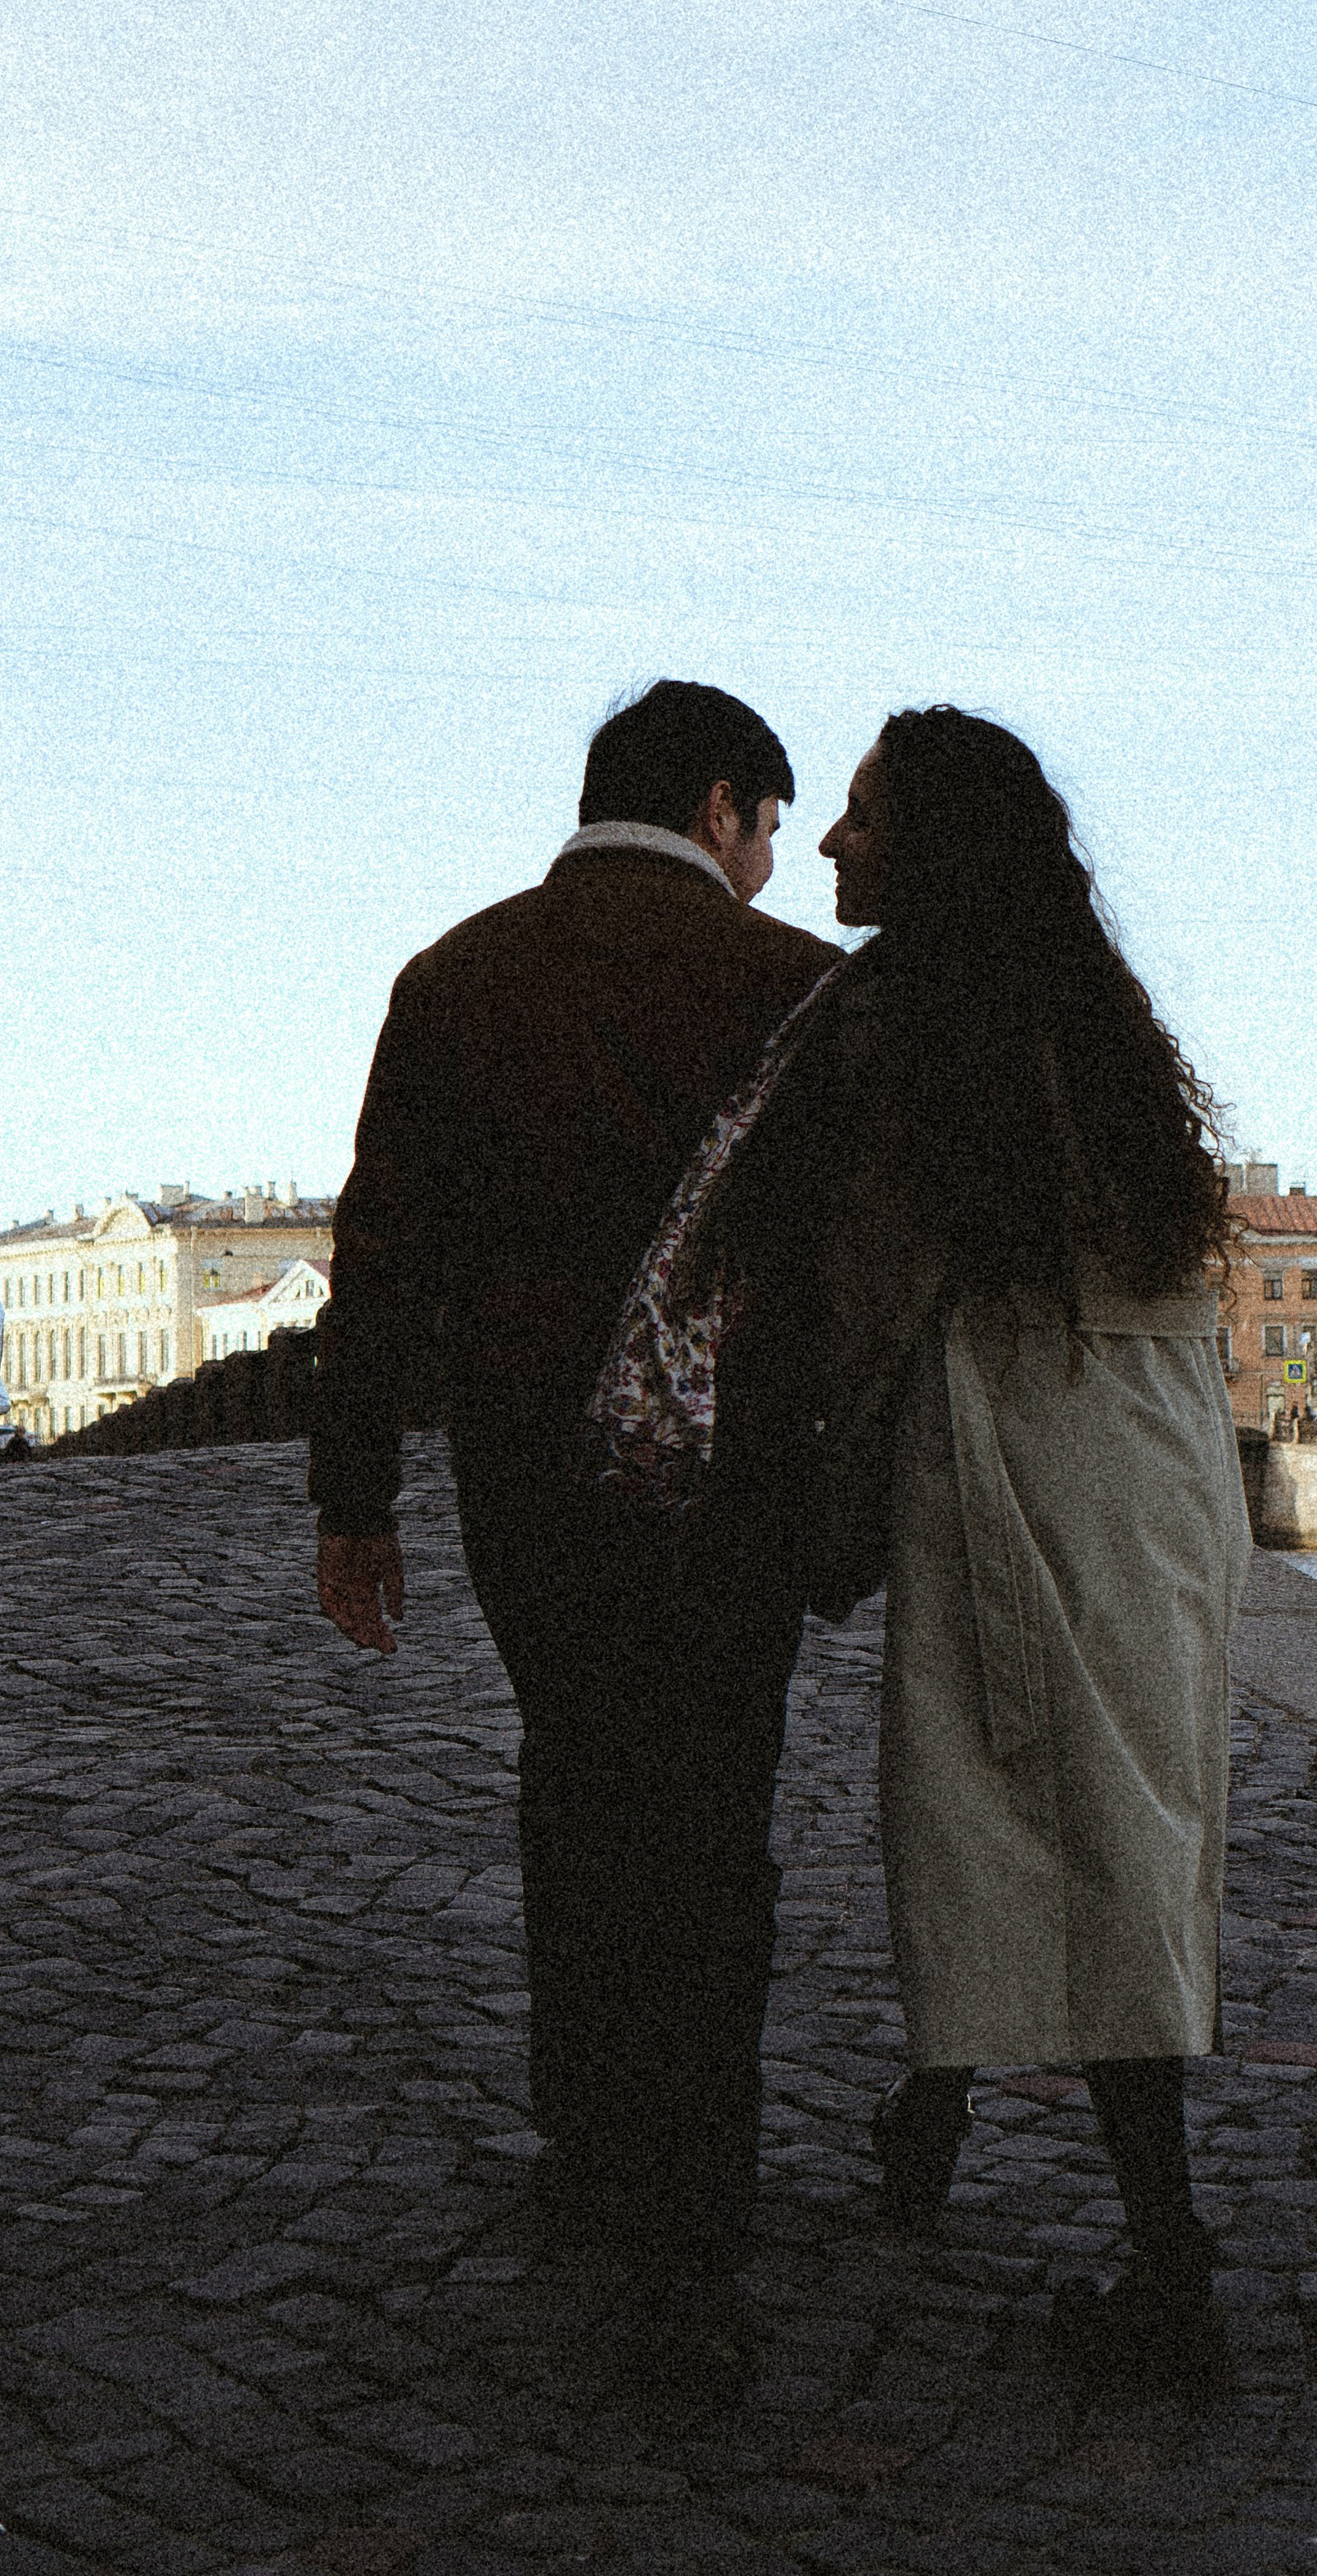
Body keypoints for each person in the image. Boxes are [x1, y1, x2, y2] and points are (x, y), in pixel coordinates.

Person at [592, 707, 1251, 2396]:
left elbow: (859, 1301)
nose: (827, 850)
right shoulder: (1084, 1016)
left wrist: (808, 1535)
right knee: (1114, 1813)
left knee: (1027, 1817)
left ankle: (1168, 2274)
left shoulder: (893, 1028)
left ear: (930, 849)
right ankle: (945, 2098)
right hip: (1156, 1476)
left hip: (1013, 1467)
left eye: (865, 822)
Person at [308, 681, 835, 2368]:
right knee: (710, 1808)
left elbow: (381, 1254)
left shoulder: (456, 977)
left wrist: (352, 1498)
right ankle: (698, 2205)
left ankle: (588, 2134)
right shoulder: (791, 991)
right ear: (717, 808)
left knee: (577, 1773)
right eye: (764, 829)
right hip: (727, 1474)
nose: (768, 864)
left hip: (526, 1470)